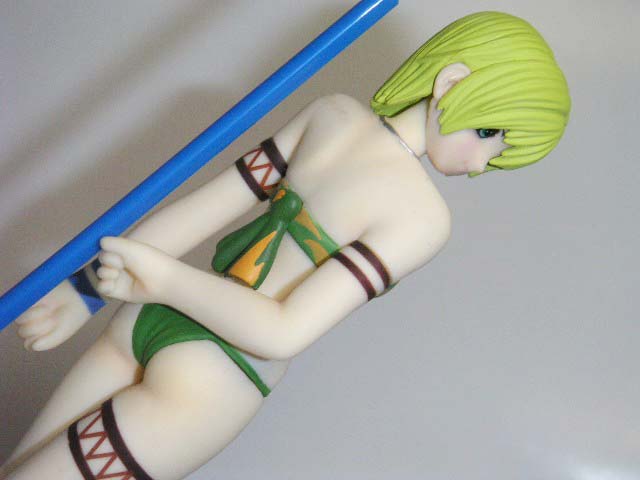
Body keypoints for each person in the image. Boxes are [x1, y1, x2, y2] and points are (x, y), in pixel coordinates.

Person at [3, 11, 570, 480]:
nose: (481, 164)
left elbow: (283, 330)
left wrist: (161, 279)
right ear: (452, 82)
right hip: (174, 344)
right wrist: (86, 291)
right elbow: (207, 207)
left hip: (203, 367)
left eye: (500, 152)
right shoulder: (349, 134)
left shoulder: (410, 207)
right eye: (490, 135)